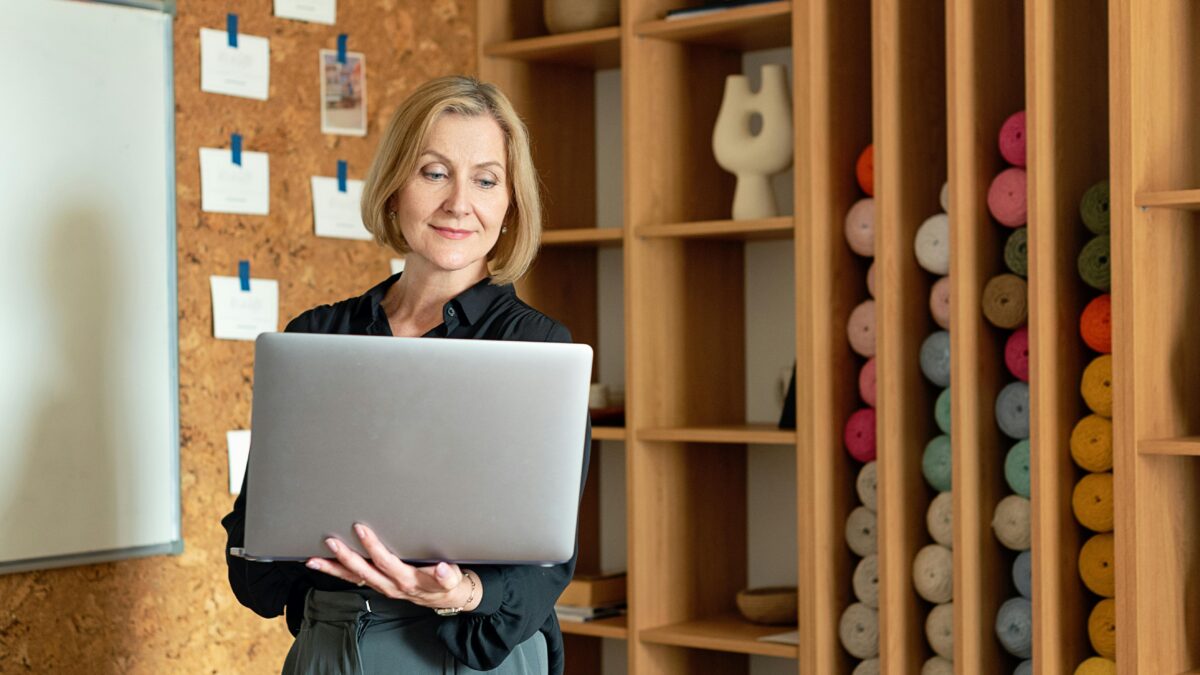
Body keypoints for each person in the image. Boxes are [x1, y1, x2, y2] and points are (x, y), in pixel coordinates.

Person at [221, 75, 590, 675]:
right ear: (394, 187)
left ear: (509, 204)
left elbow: (544, 563)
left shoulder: (536, 348)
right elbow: (254, 550)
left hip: (468, 655)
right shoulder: (319, 337)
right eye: (434, 172)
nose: (459, 203)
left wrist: (464, 591)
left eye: (486, 180)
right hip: (332, 647)